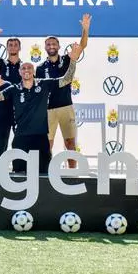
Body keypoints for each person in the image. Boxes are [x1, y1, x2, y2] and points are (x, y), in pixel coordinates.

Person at [0, 43, 83, 174]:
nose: (26, 70)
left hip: (40, 138)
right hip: (21, 137)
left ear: (33, 71)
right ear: (19, 72)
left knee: (43, 174)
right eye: (23, 68)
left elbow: (67, 79)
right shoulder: (14, 88)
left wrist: (73, 60)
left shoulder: (44, 84)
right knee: (19, 175)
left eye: (29, 68)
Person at [36, 14, 91, 168]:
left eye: (54, 44)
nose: (51, 46)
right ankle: (46, 172)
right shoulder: (40, 68)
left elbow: (82, 46)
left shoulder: (68, 59)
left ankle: (72, 173)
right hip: (48, 110)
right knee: (48, 143)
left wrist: (85, 30)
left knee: (70, 143)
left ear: (59, 46)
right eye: (48, 44)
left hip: (66, 106)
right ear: (45, 47)